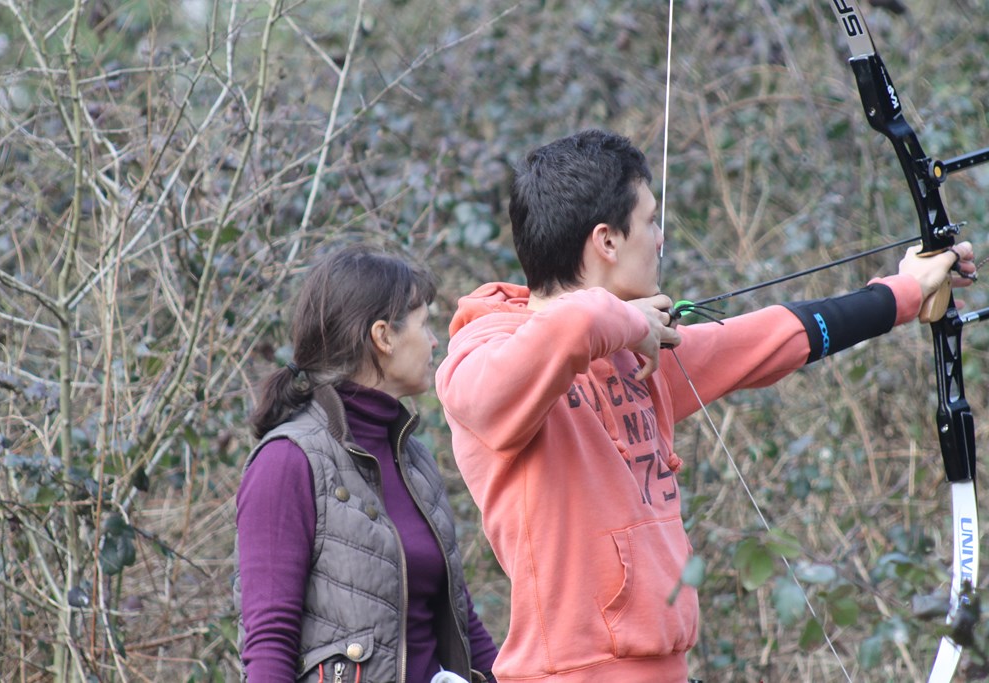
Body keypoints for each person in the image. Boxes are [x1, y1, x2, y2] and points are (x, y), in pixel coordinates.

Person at [434, 129, 976, 682]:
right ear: (607, 242)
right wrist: (630, 323)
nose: (661, 238)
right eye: (650, 221)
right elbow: (559, 336)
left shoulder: (634, 355)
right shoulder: (483, 356)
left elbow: (774, 337)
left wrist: (904, 292)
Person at [234, 244, 499, 683]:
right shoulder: (285, 462)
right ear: (383, 336)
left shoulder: (414, 460)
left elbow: (462, 622)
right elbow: (269, 645)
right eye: (424, 324)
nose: (435, 341)